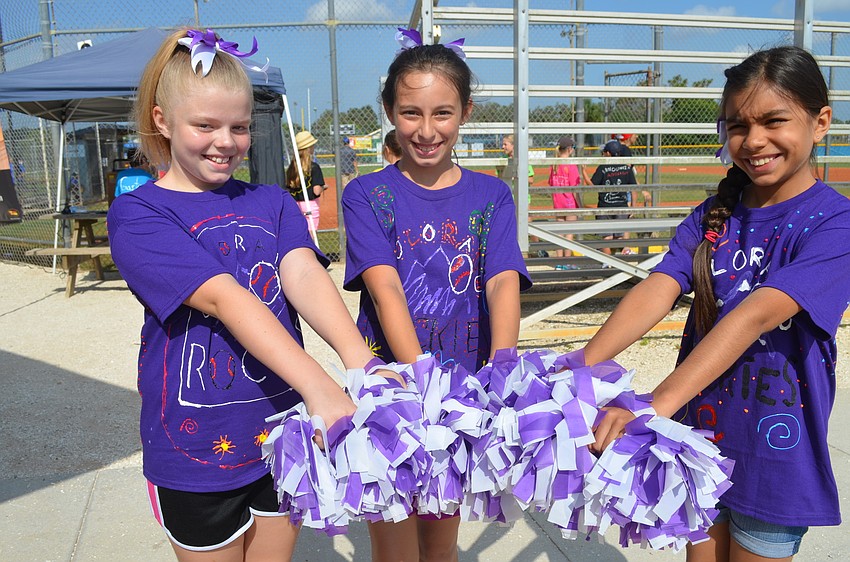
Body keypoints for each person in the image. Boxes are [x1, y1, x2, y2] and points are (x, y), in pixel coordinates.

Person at [107, 27, 400, 562]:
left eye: (239, 127)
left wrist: (360, 362)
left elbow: (303, 274)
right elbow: (224, 298)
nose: (226, 141)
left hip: (281, 431)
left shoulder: (273, 202)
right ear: (161, 121)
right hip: (196, 446)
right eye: (205, 125)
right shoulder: (139, 213)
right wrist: (320, 385)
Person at [585, 45, 847, 562]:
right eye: (736, 126)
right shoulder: (713, 214)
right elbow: (659, 286)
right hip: (695, 444)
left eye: (774, 121)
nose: (753, 142)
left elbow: (755, 314)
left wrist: (650, 405)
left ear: (820, 123)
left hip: (776, 456)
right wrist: (577, 366)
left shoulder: (834, 223)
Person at [341, 29, 531, 562]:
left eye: (442, 113)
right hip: (396, 390)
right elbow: (385, 290)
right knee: (396, 534)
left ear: (466, 112)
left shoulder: (492, 193)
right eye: (410, 114)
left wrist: (503, 369)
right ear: (388, 111)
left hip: (464, 391)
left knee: (441, 533)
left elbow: (501, 281)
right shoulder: (367, 194)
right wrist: (421, 383)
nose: (426, 131)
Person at [590, 139, 636, 255]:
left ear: (608, 153)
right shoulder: (626, 168)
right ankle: (621, 260)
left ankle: (607, 261)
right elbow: (634, 189)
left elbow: (592, 186)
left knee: (607, 236)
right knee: (620, 235)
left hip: (605, 207)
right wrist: (634, 207)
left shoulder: (603, 168)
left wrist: (584, 172)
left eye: (604, 152)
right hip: (622, 205)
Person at [548, 135, 583, 269]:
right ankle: (567, 262)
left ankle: (559, 262)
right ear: (569, 149)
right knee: (569, 232)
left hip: (558, 202)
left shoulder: (554, 164)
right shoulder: (571, 164)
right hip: (569, 202)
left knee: (559, 232)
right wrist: (579, 205)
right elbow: (574, 188)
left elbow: (550, 183)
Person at [285, 130, 327, 232]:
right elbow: (316, 190)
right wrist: (323, 187)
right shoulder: (314, 167)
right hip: (310, 204)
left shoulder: (291, 167)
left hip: (295, 204)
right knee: (311, 235)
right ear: (309, 148)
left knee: (298, 233)